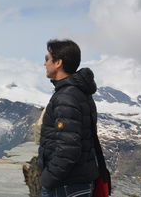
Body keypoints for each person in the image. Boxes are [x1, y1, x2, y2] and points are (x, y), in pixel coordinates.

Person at [38, 39, 99, 197]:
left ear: (58, 63)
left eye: (47, 58)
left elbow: (68, 148)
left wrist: (48, 179)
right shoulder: (78, 92)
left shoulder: (66, 96)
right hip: (76, 182)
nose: (44, 63)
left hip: (65, 185)